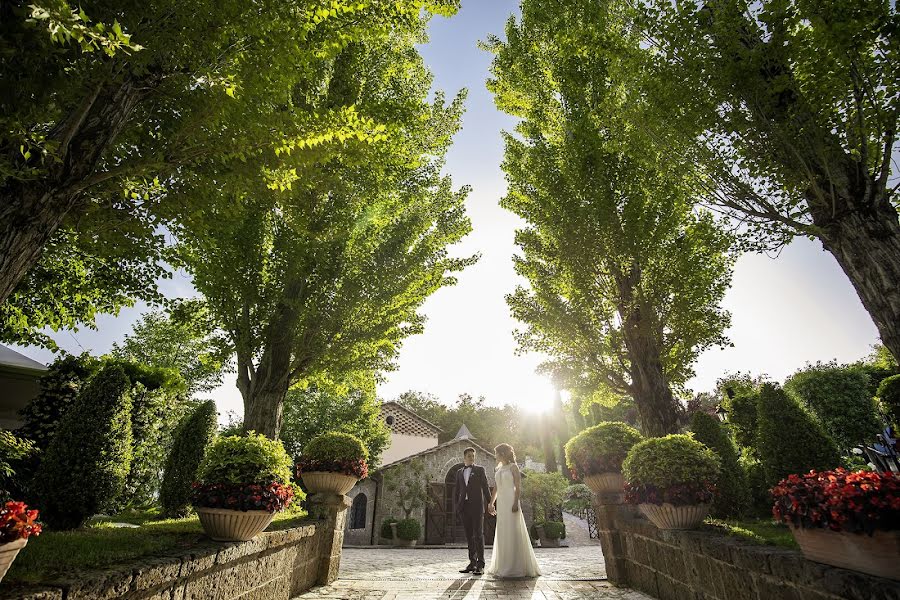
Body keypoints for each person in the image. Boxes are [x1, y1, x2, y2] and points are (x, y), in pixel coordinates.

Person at [486, 443, 541, 578]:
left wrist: (516, 502)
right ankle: (503, 565)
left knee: (513, 531)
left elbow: (518, 487)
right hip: (502, 504)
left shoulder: (513, 467)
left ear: (502, 454)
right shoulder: (498, 469)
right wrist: (491, 503)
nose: (495, 455)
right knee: (503, 532)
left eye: (496, 453)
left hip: (511, 501)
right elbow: (496, 488)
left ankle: (515, 566)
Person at [455, 447, 492, 575]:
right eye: (469, 456)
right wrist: (457, 507)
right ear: (464, 457)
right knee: (469, 536)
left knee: (478, 535)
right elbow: (457, 490)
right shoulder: (459, 472)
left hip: (476, 507)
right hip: (464, 508)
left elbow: (486, 487)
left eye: (473, 456)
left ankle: (480, 565)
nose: (472, 458)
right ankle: (472, 563)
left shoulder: (480, 470)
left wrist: (490, 503)